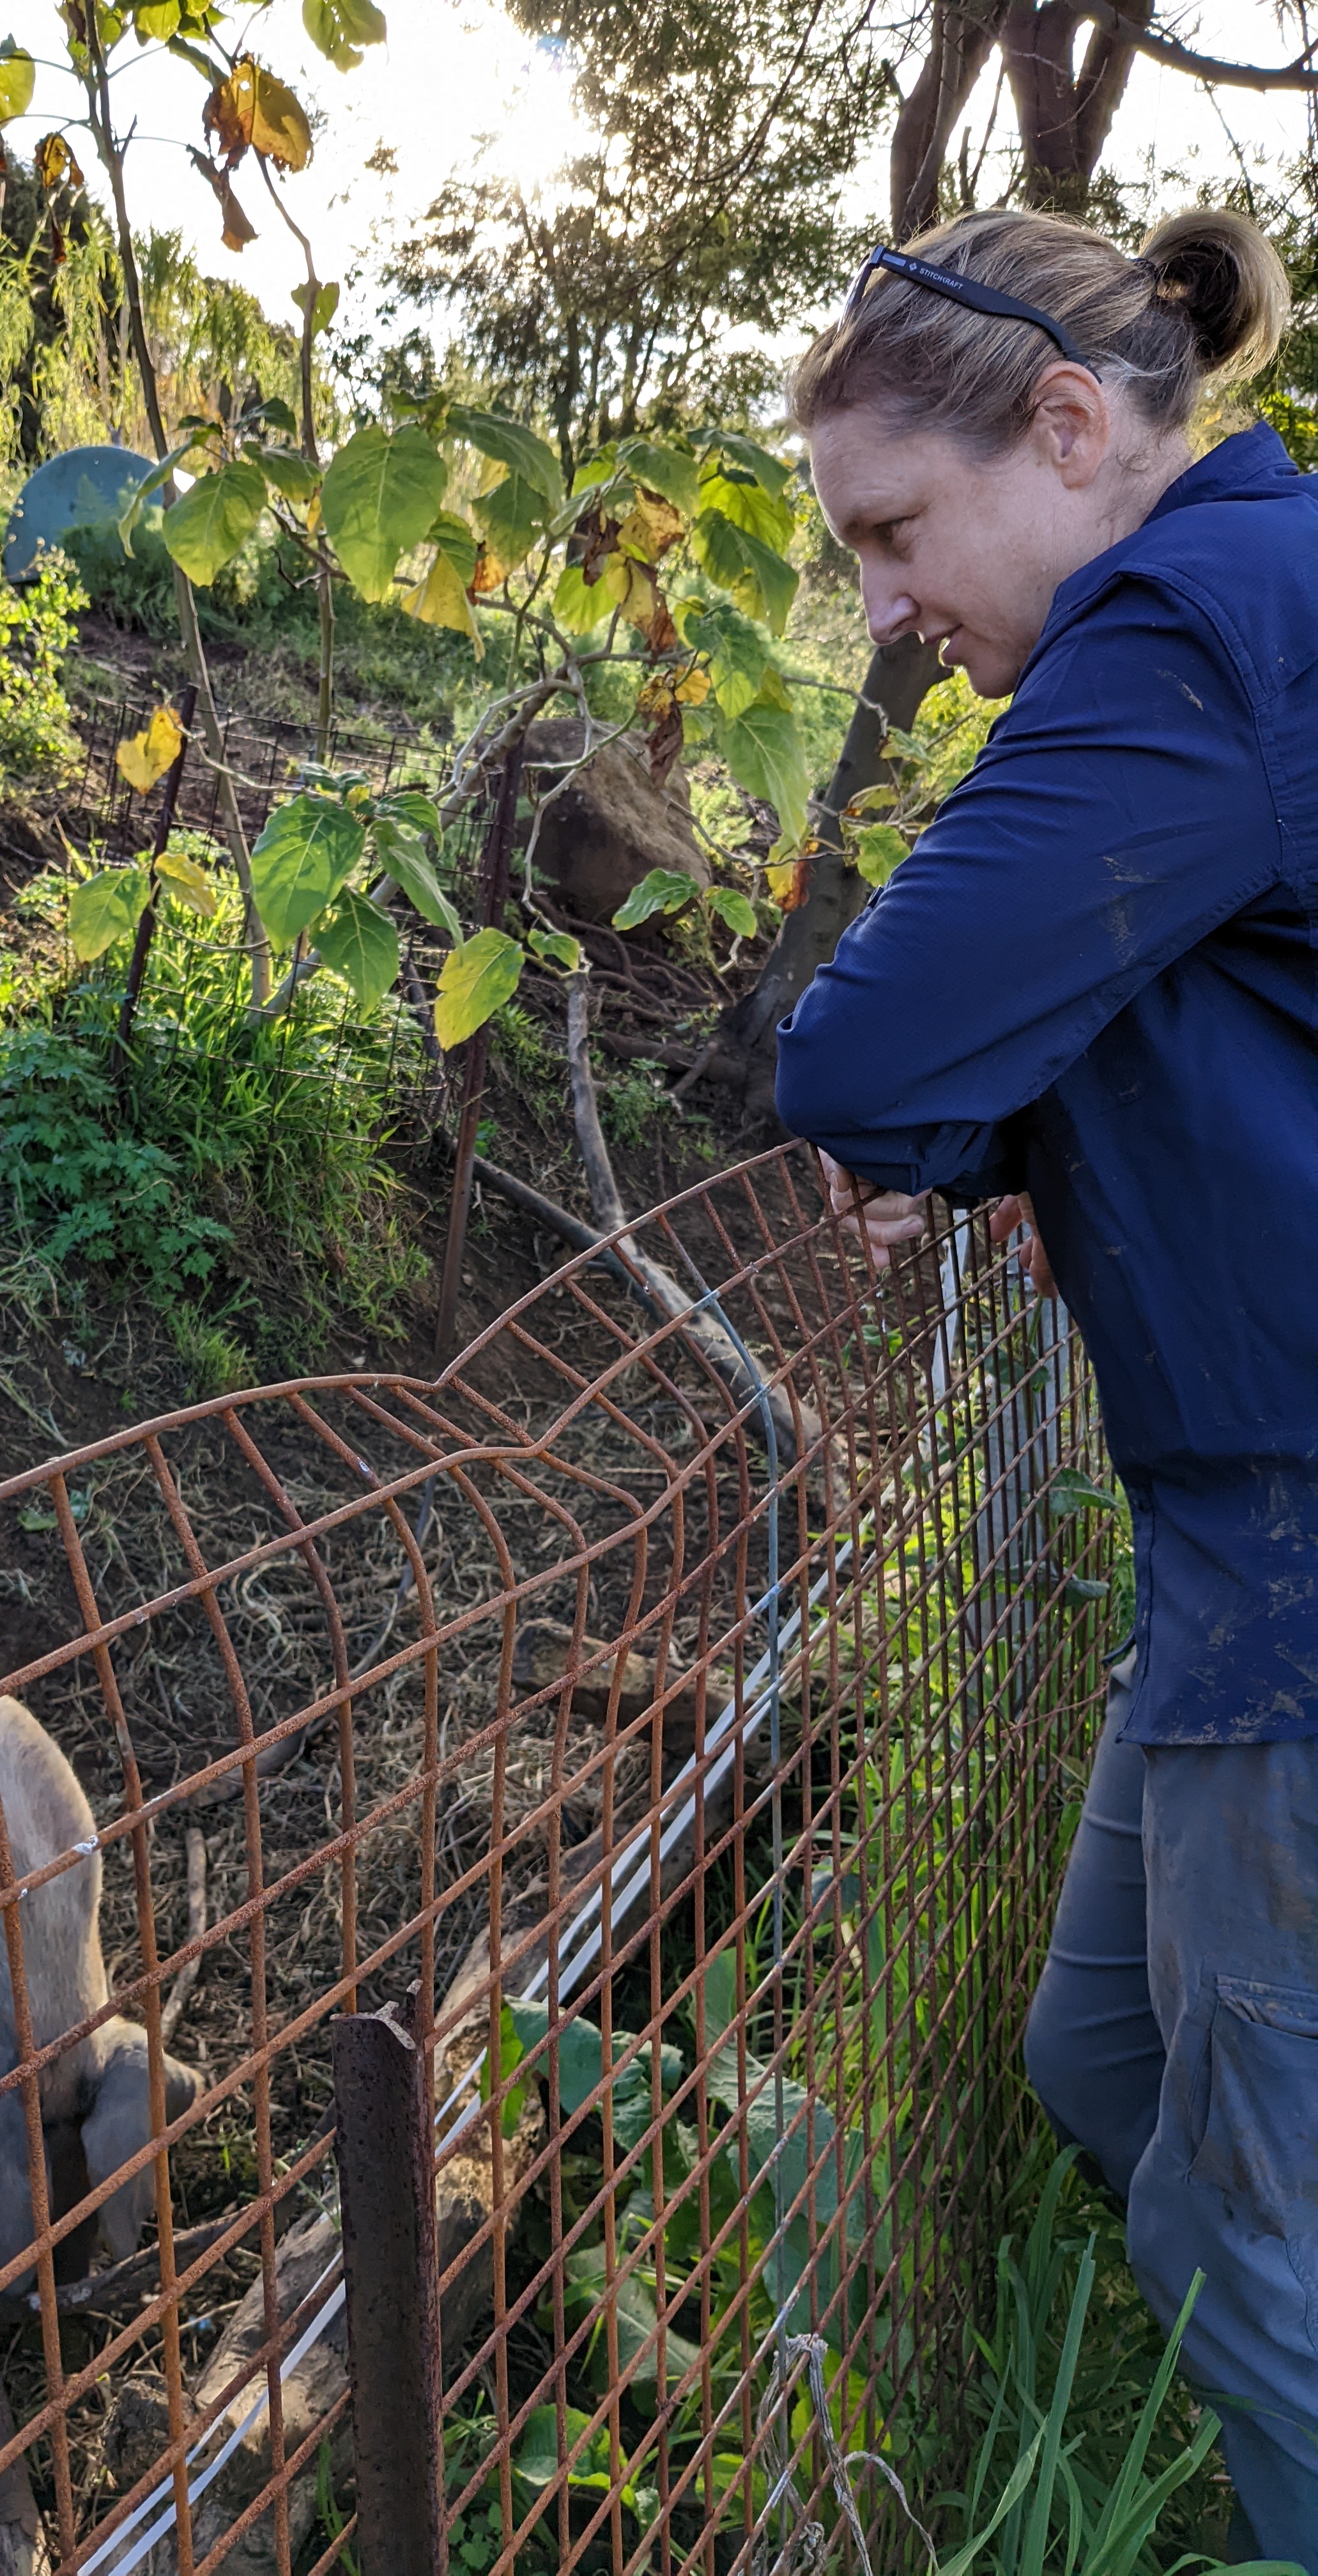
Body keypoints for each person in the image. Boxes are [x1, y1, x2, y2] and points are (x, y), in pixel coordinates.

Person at [773, 205, 1318, 2562]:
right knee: (1102, 2055)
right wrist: (996, 1125)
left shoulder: (1179, 629)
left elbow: (864, 1054)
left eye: (895, 531)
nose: (885, 608)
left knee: (1271, 2256)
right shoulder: (1265, 586)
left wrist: (943, 1118)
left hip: (1295, 1537)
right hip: (1237, 1531)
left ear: (1072, 428)